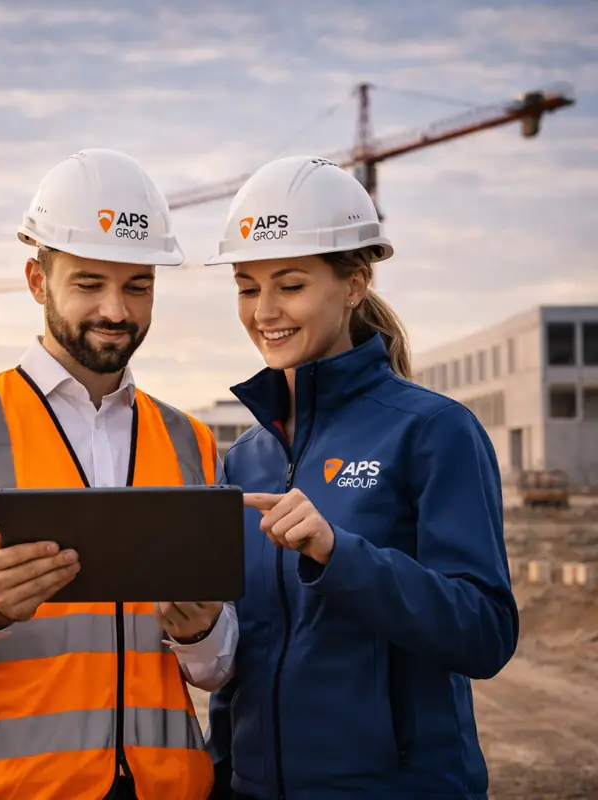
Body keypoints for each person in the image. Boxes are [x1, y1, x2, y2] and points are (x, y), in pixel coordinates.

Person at [0, 148, 238, 800]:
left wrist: (201, 631)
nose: (116, 310)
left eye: (137, 286)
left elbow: (218, 664)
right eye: (89, 283)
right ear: (38, 280)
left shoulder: (189, 440)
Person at [200, 154, 520, 800]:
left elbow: (485, 631)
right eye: (246, 286)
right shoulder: (245, 461)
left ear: (355, 284)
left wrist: (338, 554)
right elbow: (243, 662)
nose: (264, 311)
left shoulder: (433, 432)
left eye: (289, 285)